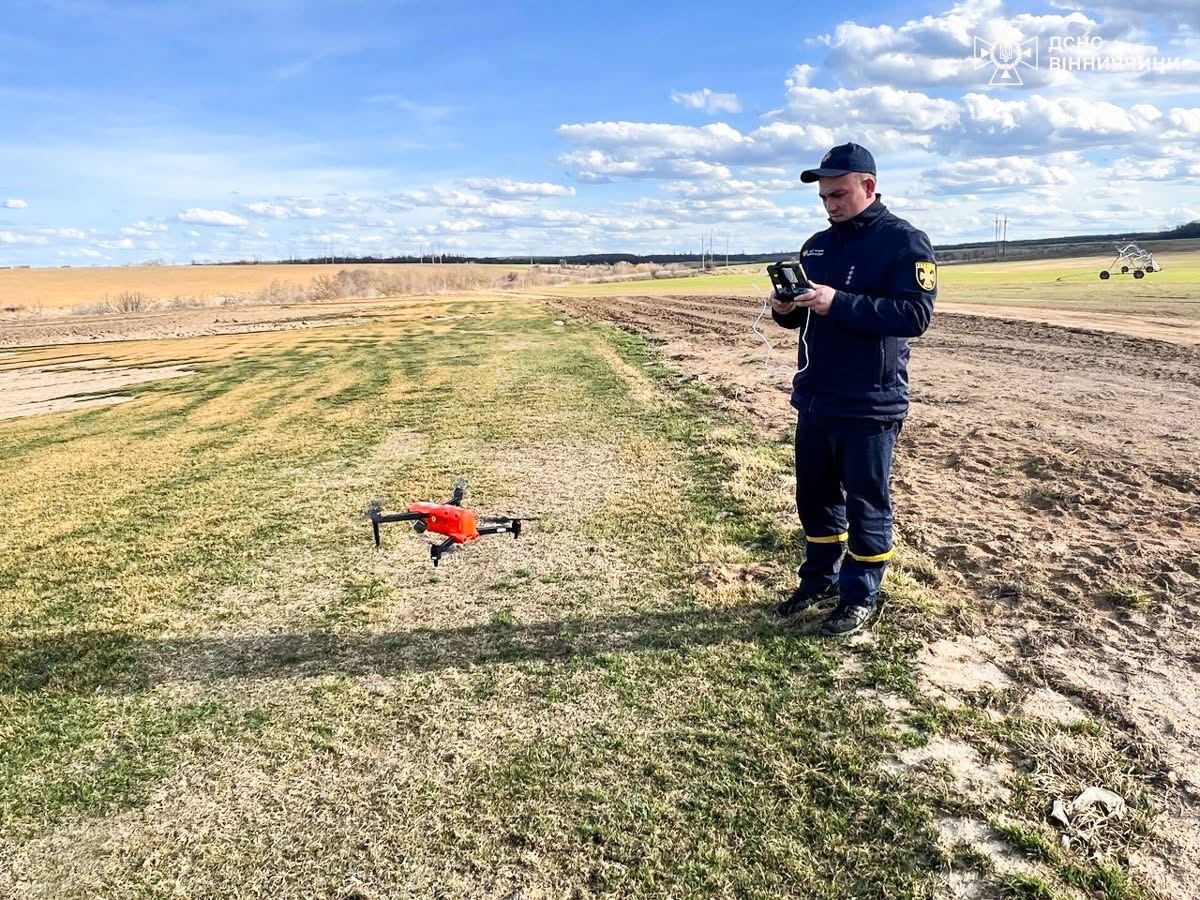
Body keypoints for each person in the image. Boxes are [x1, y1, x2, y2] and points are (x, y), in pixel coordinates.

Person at [770, 142, 936, 636]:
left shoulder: (904, 242)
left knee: (867, 501)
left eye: (839, 194)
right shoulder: (817, 246)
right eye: (824, 197)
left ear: (868, 186)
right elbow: (803, 314)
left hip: (870, 401)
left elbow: (915, 316)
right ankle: (819, 579)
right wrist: (787, 310)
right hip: (817, 396)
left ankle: (861, 595)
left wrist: (838, 302)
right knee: (816, 498)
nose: (831, 205)